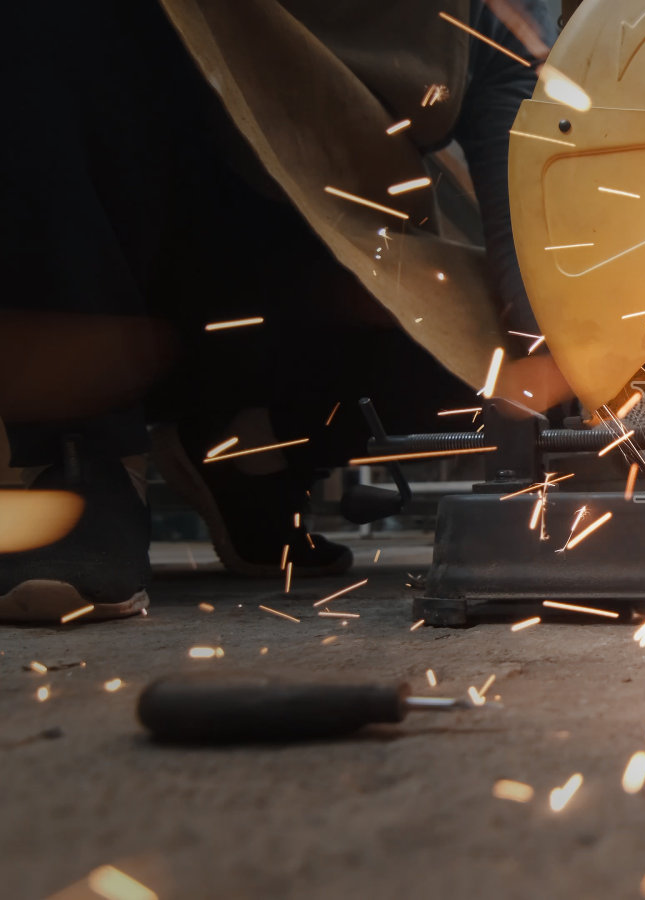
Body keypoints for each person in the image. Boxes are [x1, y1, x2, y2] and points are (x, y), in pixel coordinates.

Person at [0, 0, 573, 622]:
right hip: (105, 259)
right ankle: (85, 463)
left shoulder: (485, 17)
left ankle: (249, 451)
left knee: (489, 351)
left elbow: (520, 129)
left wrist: (572, 349)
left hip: (288, 262)